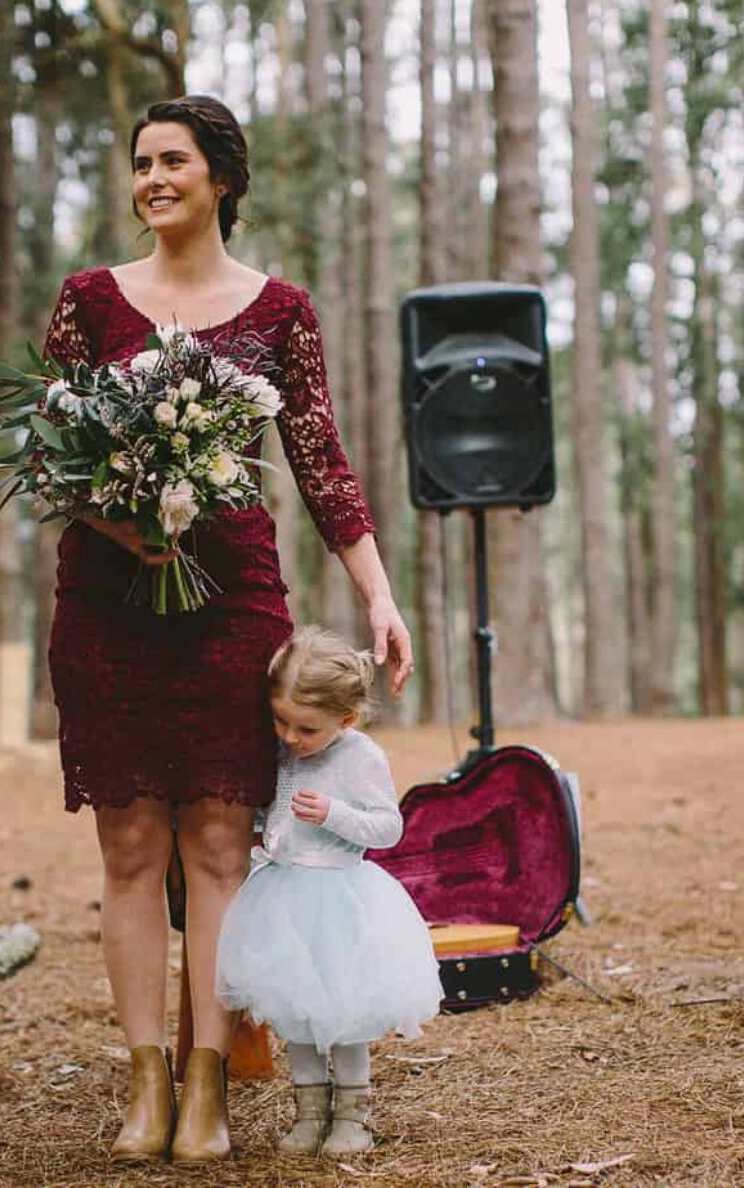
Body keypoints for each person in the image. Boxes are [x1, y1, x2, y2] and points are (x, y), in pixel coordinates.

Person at [40, 94, 413, 1163]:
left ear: (223, 180)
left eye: (175, 162)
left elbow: (320, 461)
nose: (154, 179)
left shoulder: (280, 309)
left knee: (215, 842)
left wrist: (379, 596)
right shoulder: (88, 303)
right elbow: (52, 462)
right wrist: (120, 522)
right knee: (126, 845)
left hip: (232, 592)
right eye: (142, 163)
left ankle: (209, 1081)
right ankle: (144, 1082)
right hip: (109, 597)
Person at [216, 626, 443, 1157]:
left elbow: (388, 828)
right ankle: (308, 1113)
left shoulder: (360, 756)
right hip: (282, 895)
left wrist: (336, 815)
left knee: (344, 1015)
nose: (291, 738)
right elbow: (272, 810)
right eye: (281, 722)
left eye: (307, 729)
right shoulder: (282, 751)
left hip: (340, 897)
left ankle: (352, 1116)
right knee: (295, 1010)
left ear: (346, 718)